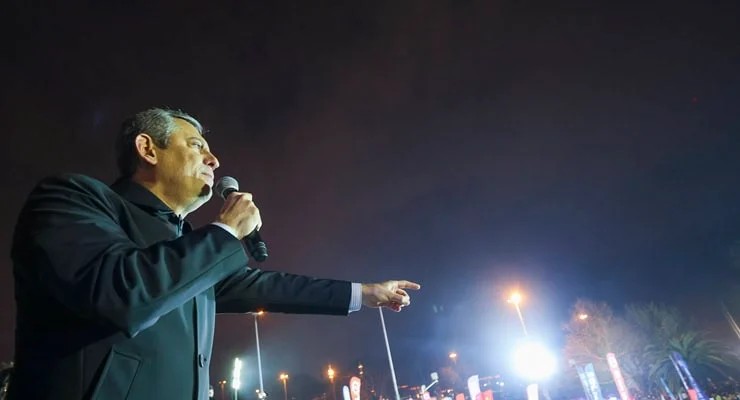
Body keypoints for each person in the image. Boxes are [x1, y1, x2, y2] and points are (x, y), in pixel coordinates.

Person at [8, 108, 420, 400]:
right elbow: (119, 293)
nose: (214, 159)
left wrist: (364, 293)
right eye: (196, 145)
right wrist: (225, 232)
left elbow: (270, 287)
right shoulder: (73, 198)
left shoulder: (187, 245)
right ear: (148, 149)